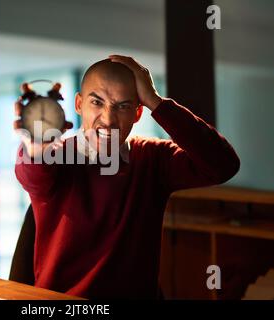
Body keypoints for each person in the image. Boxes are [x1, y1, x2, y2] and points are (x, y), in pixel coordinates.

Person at [13, 55, 240, 299]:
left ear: (138, 113)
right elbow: (34, 173)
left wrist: (156, 101)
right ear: (79, 104)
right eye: (97, 102)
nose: (109, 119)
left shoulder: (153, 158)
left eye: (122, 106)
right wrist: (36, 146)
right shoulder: (57, 157)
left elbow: (223, 165)